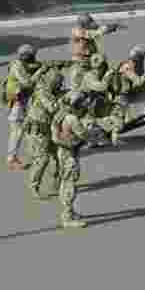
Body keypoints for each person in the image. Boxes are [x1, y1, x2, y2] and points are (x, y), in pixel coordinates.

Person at [50, 90, 95, 228]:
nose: (84, 105)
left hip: (63, 150)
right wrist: (94, 134)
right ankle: (67, 217)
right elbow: (83, 134)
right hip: (69, 153)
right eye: (82, 103)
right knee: (70, 184)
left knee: (66, 182)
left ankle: (70, 212)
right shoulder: (72, 119)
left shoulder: (61, 115)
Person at [3, 44, 46, 171]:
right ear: (26, 56)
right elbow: (27, 82)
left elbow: (33, 67)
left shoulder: (23, 64)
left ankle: (34, 153)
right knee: (17, 131)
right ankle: (12, 159)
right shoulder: (17, 67)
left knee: (28, 128)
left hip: (23, 102)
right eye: (32, 56)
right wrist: (40, 71)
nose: (34, 58)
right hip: (17, 103)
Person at [25, 67, 64, 199]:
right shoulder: (44, 92)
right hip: (38, 131)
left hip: (48, 129)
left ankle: (56, 182)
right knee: (42, 159)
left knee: (58, 155)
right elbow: (53, 107)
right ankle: (34, 186)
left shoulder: (47, 90)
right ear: (53, 82)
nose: (60, 86)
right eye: (58, 83)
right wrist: (65, 99)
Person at [69, 14, 120, 88]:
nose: (91, 24)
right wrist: (107, 28)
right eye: (89, 22)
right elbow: (95, 33)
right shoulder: (77, 31)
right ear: (83, 24)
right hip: (80, 59)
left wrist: (112, 27)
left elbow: (98, 28)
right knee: (77, 83)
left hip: (90, 58)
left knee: (97, 74)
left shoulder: (85, 28)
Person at [117, 45, 145, 123]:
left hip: (132, 92)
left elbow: (143, 80)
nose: (142, 60)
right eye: (141, 57)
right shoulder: (126, 67)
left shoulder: (138, 65)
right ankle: (122, 118)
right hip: (122, 97)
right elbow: (138, 82)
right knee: (127, 121)